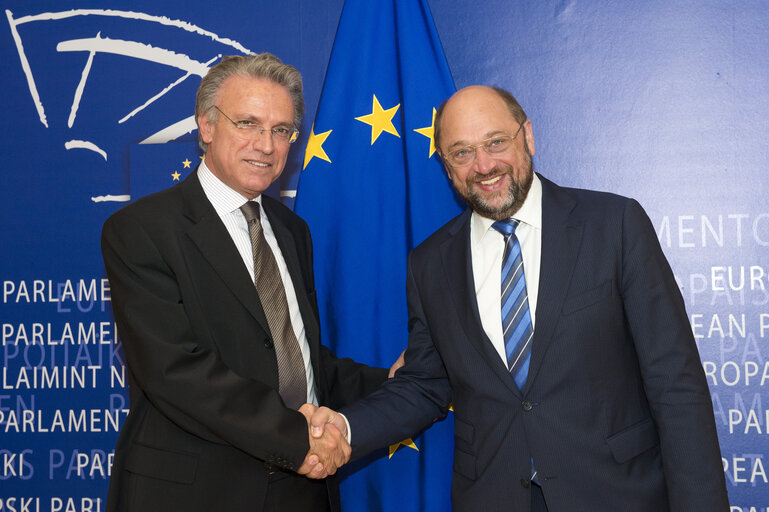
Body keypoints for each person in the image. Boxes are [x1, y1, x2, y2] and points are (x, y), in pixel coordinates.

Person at [309, 85, 730, 511]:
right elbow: (425, 384)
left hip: (615, 494)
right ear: (446, 166)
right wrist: (345, 427)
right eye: (462, 152)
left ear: (527, 136)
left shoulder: (614, 226)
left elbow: (675, 383)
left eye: (496, 142)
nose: (484, 165)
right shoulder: (429, 263)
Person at [101, 53, 389, 512]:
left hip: (303, 491)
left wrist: (391, 383)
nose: (266, 144)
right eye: (248, 123)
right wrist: (301, 439)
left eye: (281, 130)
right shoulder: (141, 229)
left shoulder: (292, 231)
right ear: (207, 126)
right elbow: (176, 371)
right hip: (197, 492)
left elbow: (296, 362)